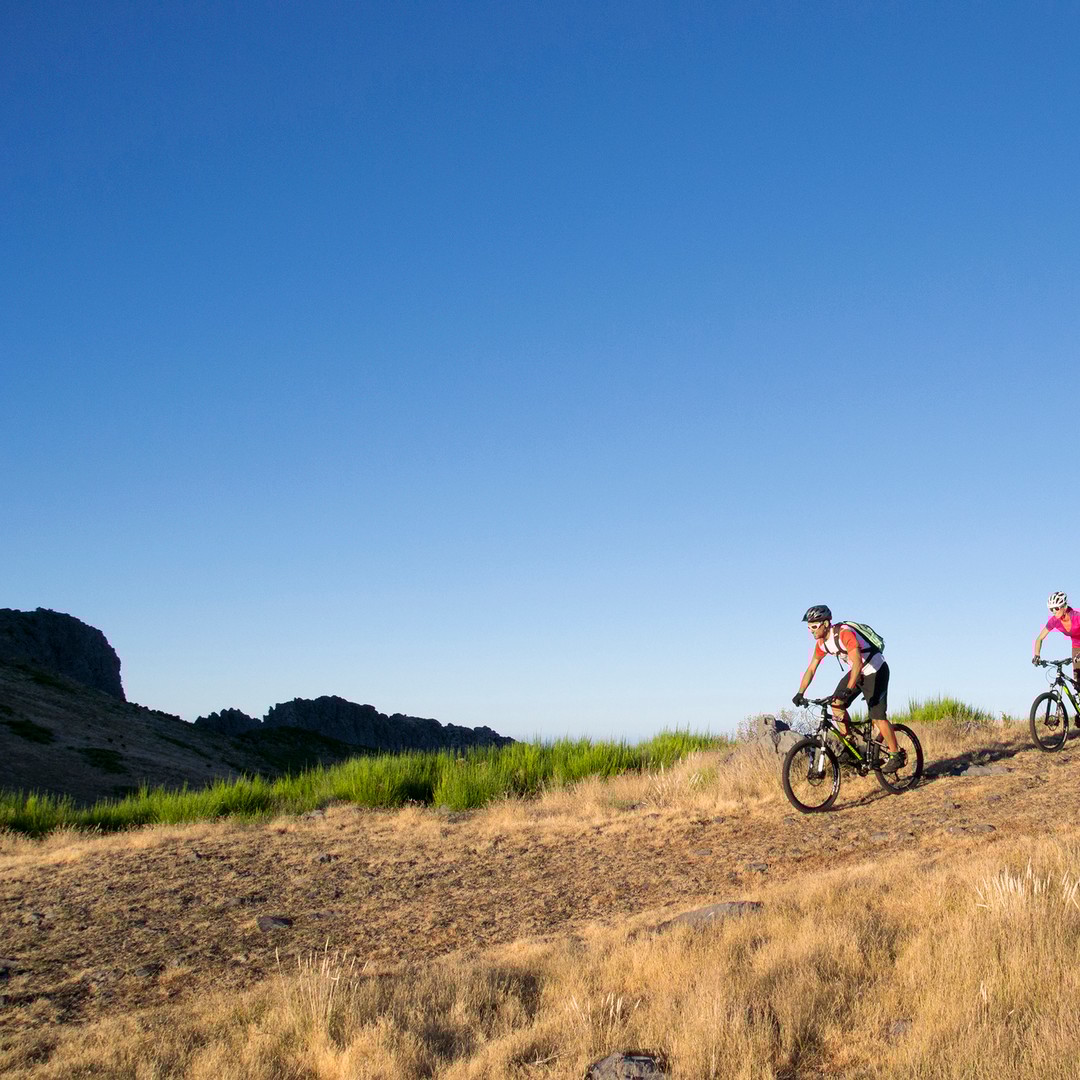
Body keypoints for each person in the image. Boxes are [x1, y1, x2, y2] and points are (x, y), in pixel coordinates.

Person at [791, 605, 903, 773]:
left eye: (814, 626)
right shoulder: (821, 644)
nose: (811, 631)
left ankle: (896, 754)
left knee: (877, 717)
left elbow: (857, 662)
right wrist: (800, 692)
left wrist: (849, 689)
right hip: (858, 672)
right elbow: (811, 668)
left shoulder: (844, 634)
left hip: (875, 669)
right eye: (808, 627)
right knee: (836, 704)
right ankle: (850, 745)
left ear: (826, 624)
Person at [1032, 591, 1080, 686]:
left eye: (1056, 608)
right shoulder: (1054, 621)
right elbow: (1039, 638)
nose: (1054, 611)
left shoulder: (1077, 617)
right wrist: (1037, 655)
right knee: (1078, 682)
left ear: (1064, 606)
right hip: (1076, 647)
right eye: (1051, 609)